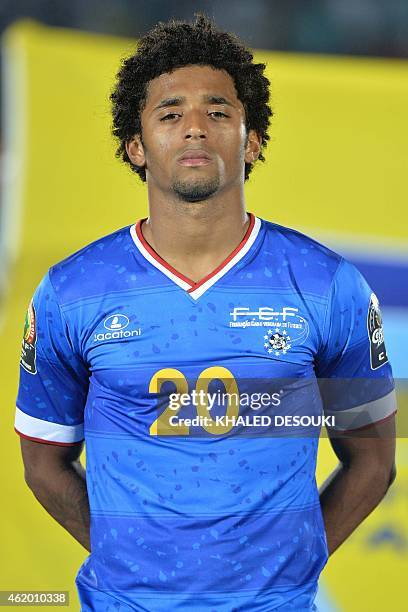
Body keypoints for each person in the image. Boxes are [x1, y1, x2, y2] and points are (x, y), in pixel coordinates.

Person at [15, 14, 397, 612]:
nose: (194, 128)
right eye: (170, 114)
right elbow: (44, 459)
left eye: (218, 112)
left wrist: (292, 569)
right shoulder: (71, 291)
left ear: (252, 141)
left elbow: (373, 459)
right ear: (136, 146)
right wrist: (125, 559)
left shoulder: (328, 285)